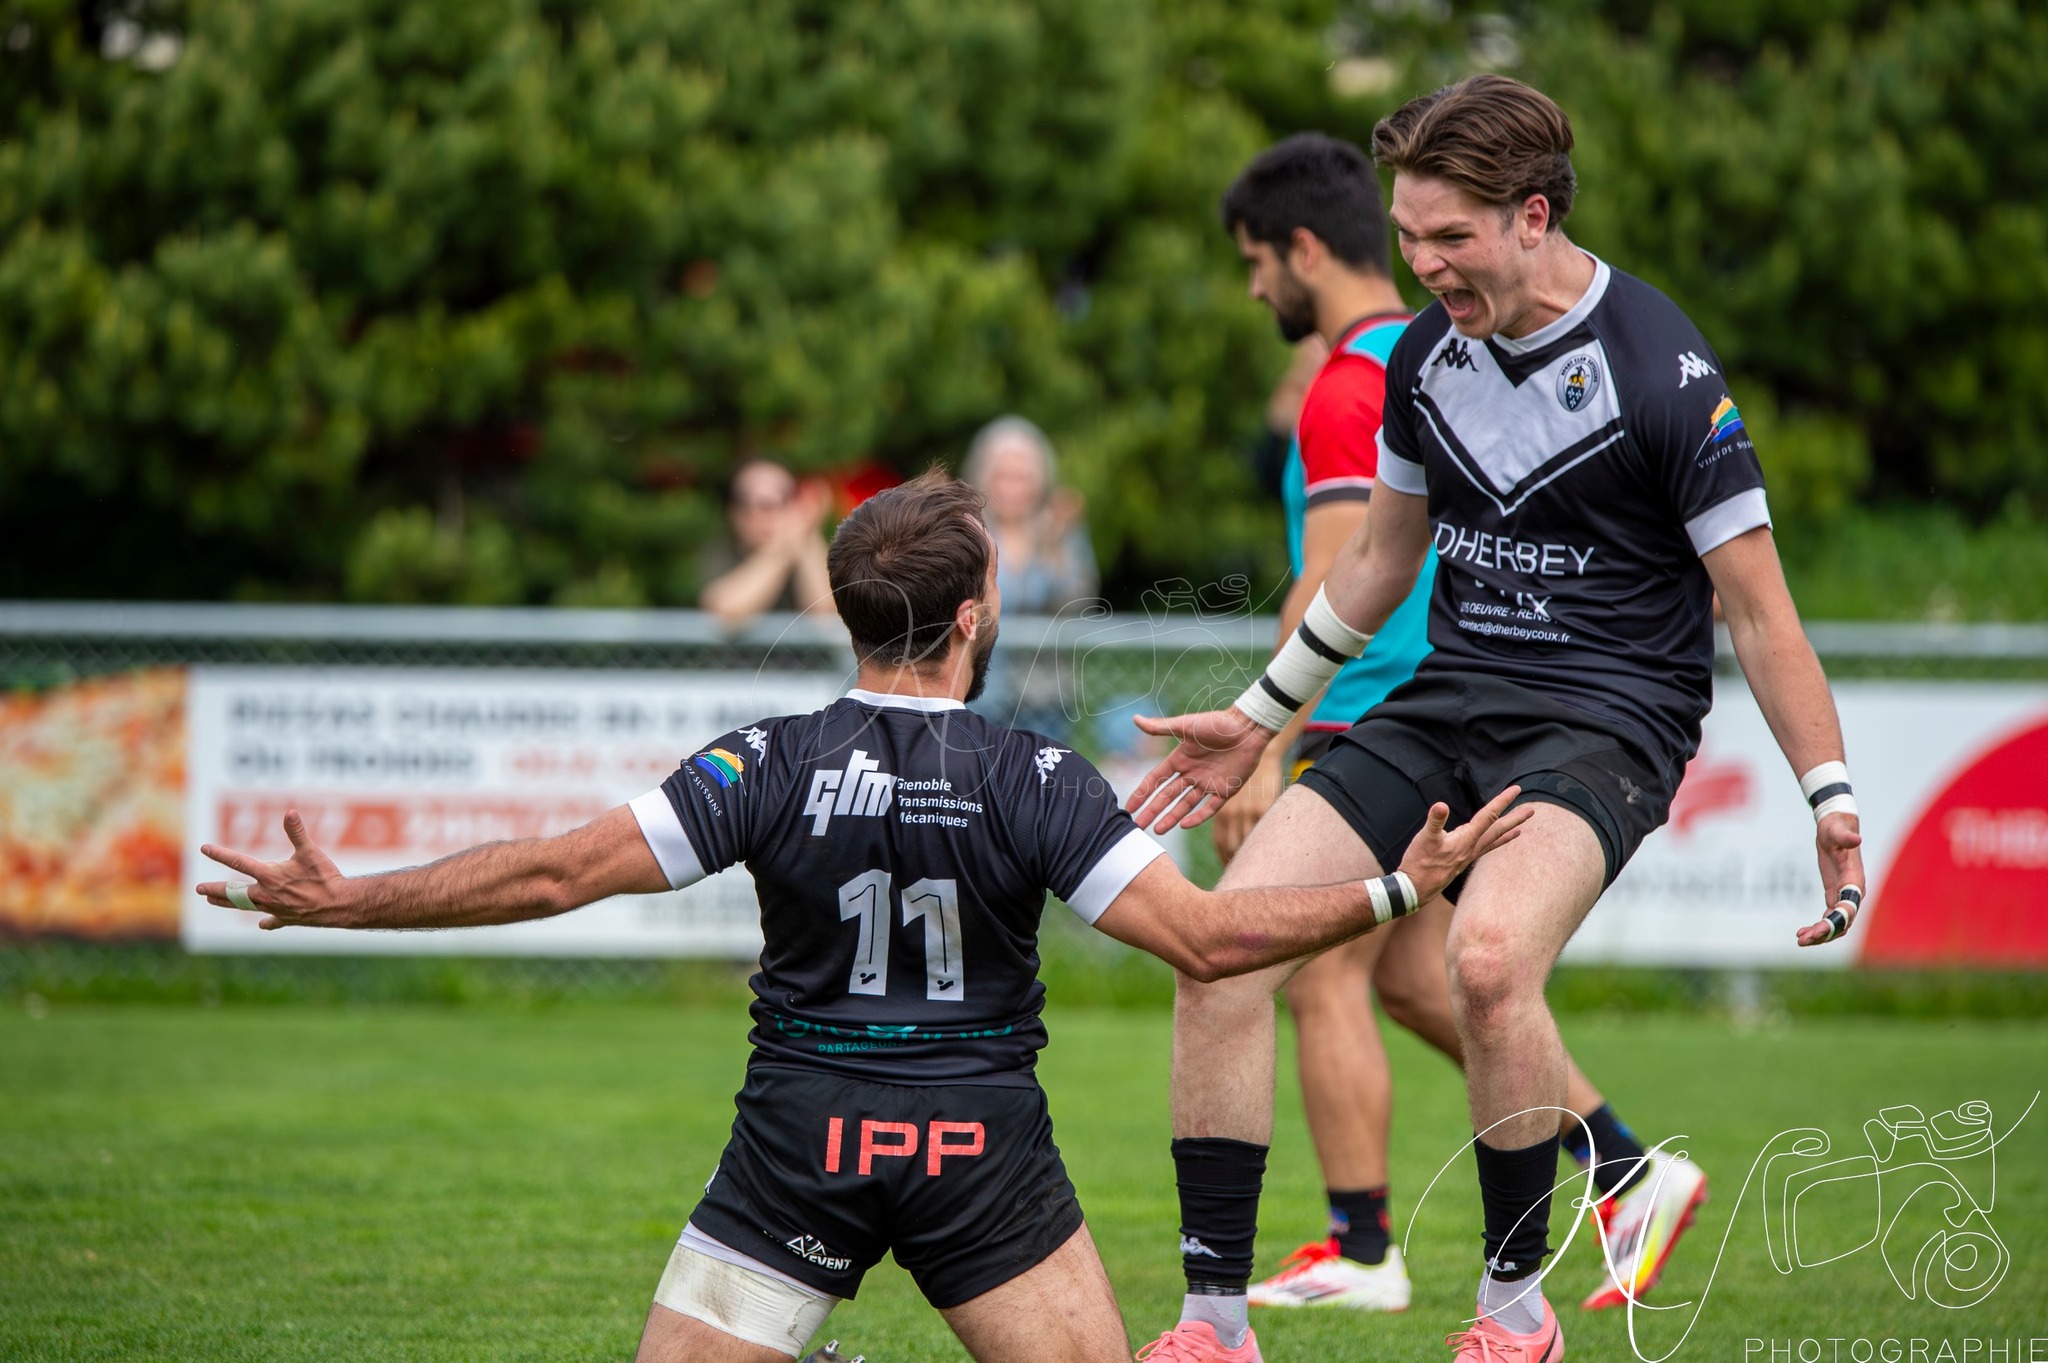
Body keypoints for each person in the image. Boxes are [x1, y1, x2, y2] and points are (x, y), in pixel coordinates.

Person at [196, 469, 1529, 1363]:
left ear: (848, 615)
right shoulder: (1037, 775)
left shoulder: (760, 759)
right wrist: (1398, 882)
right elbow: (1207, 939)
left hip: (797, 1136)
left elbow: (552, 872)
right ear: (972, 616)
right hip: (979, 1148)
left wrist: (350, 897)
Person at [1126, 76, 1867, 1363]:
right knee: (1217, 944)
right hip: (1446, 704)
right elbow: (1371, 565)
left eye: (1449, 238)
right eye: (1407, 236)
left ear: (1532, 216)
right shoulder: (1421, 356)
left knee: (1482, 965)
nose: (1422, 266)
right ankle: (1212, 1326)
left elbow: (1759, 614)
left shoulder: (1661, 367)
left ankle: (1513, 1319)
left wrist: (1830, 797)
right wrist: (1259, 718)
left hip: (1605, 722)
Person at [1205, 134, 1706, 1320]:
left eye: (1251, 261)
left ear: (1301, 247)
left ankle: (1361, 1242)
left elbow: (1345, 568)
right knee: (1444, 983)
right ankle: (1626, 1170)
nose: (1250, 287)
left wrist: (1264, 739)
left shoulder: (1359, 378)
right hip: (1444, 704)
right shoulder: (1435, 346)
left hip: (1381, 706)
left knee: (1320, 973)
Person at [963, 416, 1099, 614]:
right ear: (984, 477)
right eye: (1003, 476)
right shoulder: (968, 528)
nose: (1011, 489)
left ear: (1039, 480)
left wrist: (1056, 552)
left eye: (1021, 478)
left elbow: (1081, 603)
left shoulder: (1060, 524)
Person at [699, 458, 837, 628]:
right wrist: (782, 549)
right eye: (763, 505)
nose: (770, 515)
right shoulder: (721, 549)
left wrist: (809, 533)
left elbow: (826, 615)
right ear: (735, 513)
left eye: (784, 498)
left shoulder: (808, 544)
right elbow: (724, 611)